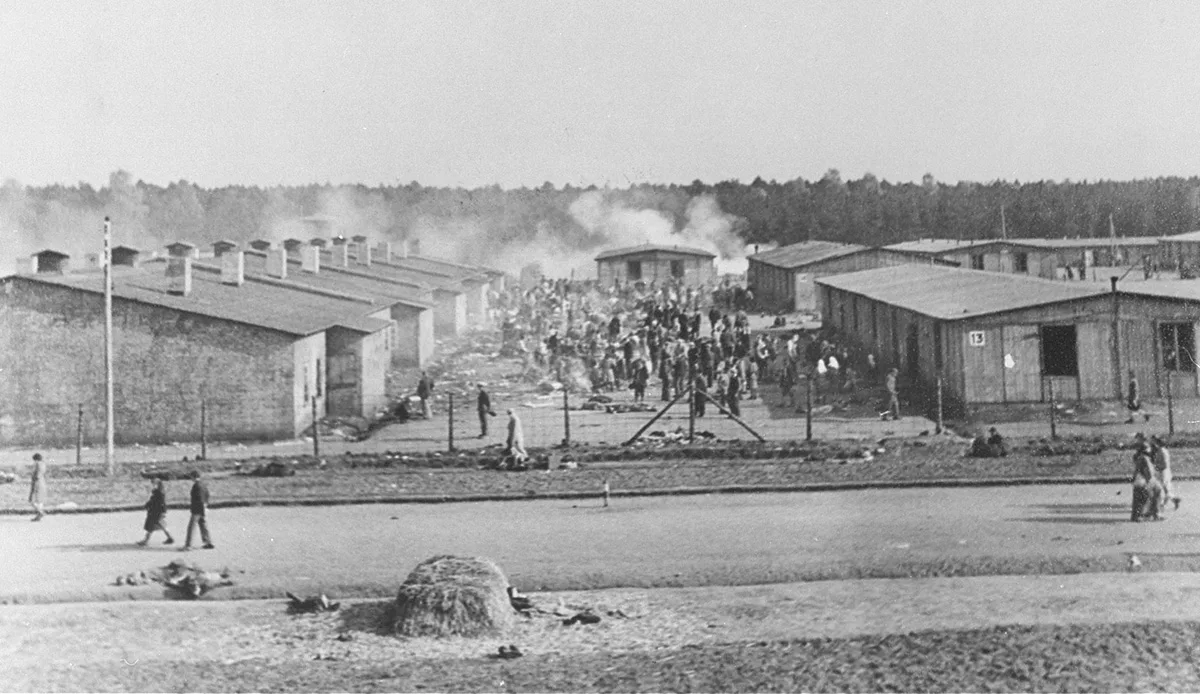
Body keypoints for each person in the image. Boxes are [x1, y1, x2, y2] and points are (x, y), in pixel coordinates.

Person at [182, 471, 215, 551]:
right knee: (203, 525)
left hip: (197, 509)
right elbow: (207, 495)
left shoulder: (196, 486)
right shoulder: (203, 484)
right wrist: (206, 505)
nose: (191, 478)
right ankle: (208, 542)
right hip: (202, 507)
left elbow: (199, 498)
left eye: (191, 477)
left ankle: (188, 545)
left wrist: (201, 508)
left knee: (192, 527)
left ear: (194, 477)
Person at [1131, 443, 1164, 522]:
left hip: (1139, 480)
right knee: (1154, 493)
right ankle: (1154, 514)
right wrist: (1150, 482)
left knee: (1141, 498)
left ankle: (1141, 515)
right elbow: (1148, 472)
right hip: (1144, 480)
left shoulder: (1140, 457)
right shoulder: (1145, 458)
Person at [137, 479, 174, 546]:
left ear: (158, 484)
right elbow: (154, 501)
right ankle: (170, 538)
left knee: (151, 526)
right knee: (161, 525)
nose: (153, 485)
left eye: (154, 484)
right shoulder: (158, 492)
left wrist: (148, 505)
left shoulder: (159, 493)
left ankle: (145, 541)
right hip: (156, 511)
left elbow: (159, 502)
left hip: (156, 512)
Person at [1151, 436, 1181, 512]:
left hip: (1163, 473)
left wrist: (1155, 466)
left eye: (1156, 442)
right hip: (1163, 472)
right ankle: (1171, 501)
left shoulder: (1162, 451)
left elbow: (1165, 464)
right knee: (1165, 490)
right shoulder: (1162, 450)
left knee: (1162, 489)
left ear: (1159, 443)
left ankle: (1164, 504)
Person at [28, 452, 47, 522]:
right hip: (42, 483)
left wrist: (34, 479)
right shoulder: (43, 464)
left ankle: (40, 513)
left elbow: (37, 475)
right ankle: (38, 516)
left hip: (37, 483)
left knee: (32, 500)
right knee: (40, 501)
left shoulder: (37, 464)